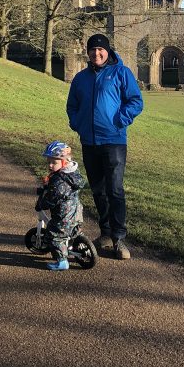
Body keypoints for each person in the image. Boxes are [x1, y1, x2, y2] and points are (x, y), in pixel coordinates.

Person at [66, 33, 143, 260]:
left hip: (114, 141)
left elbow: (135, 101)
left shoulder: (121, 73)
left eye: (100, 50)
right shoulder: (80, 78)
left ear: (108, 51)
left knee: (115, 189)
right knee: (98, 190)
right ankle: (106, 233)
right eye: (92, 50)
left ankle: (119, 238)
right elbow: (72, 106)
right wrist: (78, 124)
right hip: (89, 141)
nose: (96, 53)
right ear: (88, 52)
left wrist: (119, 120)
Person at [37, 141, 86, 272]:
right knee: (73, 232)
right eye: (49, 162)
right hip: (76, 212)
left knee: (54, 235)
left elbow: (53, 198)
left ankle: (62, 261)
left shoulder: (60, 181)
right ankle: (74, 245)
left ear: (64, 162)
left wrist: (42, 204)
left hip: (64, 215)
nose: (50, 165)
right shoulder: (71, 173)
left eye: (54, 162)